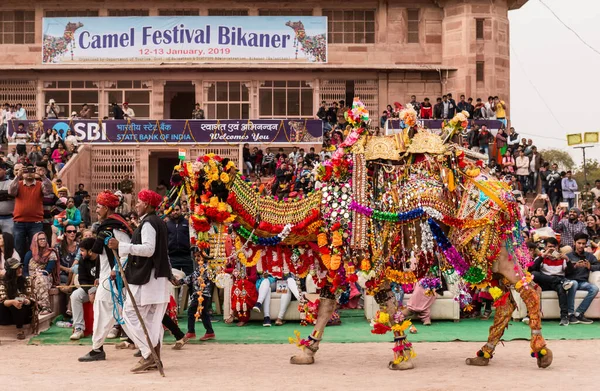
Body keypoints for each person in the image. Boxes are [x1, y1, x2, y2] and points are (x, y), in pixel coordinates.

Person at [108, 189, 171, 372]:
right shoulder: (157, 222)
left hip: (147, 278)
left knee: (129, 314)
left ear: (149, 205)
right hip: (156, 277)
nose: (137, 204)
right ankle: (154, 357)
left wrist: (122, 246)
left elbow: (149, 249)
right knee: (151, 321)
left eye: (140, 202)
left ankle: (148, 354)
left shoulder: (149, 223)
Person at [79, 190, 133, 362]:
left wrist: (116, 270)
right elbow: (102, 255)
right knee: (123, 313)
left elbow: (126, 251)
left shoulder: (116, 227)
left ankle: (97, 349)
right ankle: (146, 346)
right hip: (105, 277)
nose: (96, 210)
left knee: (107, 311)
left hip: (113, 278)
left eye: (100, 206)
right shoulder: (106, 227)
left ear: (108, 208)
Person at [9, 164, 54, 259]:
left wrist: (43, 176)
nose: (29, 173)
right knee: (18, 248)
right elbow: (11, 192)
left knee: (35, 248)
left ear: (35, 172)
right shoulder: (19, 184)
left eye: (31, 171)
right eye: (26, 171)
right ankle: (19, 269)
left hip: (35, 222)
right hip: (19, 222)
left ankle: (33, 268)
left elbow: (49, 190)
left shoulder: (39, 184)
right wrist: (18, 176)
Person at [528, 237, 573, 326]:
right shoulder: (541, 257)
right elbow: (532, 270)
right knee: (534, 274)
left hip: (556, 283)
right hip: (545, 282)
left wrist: (567, 260)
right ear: (545, 248)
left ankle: (564, 317)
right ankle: (561, 281)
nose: (551, 249)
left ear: (557, 248)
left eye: (553, 247)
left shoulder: (562, 258)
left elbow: (571, 272)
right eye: (549, 247)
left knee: (561, 288)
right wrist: (542, 257)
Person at [565, 233, 600, 324]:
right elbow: (563, 271)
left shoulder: (589, 256)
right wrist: (574, 266)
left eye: (583, 244)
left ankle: (579, 313)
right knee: (574, 283)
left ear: (586, 244)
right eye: (579, 243)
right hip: (570, 281)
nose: (581, 246)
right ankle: (570, 314)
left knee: (595, 288)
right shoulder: (568, 256)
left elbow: (598, 266)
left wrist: (590, 267)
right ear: (574, 243)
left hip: (583, 282)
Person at [69, 237, 98, 340]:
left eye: (82, 250)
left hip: (103, 289)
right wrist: (90, 291)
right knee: (75, 296)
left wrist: (94, 290)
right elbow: (82, 280)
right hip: (88, 289)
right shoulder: (82, 261)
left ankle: (114, 327)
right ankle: (79, 329)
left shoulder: (102, 259)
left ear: (90, 251)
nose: (80, 253)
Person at [0, 258, 36, 340]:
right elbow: (2, 299)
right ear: (10, 271)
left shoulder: (26, 280)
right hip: (7, 315)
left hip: (24, 314)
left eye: (20, 267)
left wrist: (26, 301)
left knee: (20, 305)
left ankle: (20, 329)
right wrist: (13, 301)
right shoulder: (2, 282)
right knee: (10, 304)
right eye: (16, 269)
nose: (20, 270)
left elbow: (32, 298)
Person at [23, 232, 57, 316]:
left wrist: (40, 274)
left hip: (45, 276)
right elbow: (24, 270)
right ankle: (33, 307)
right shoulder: (29, 254)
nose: (43, 241)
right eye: (40, 239)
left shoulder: (51, 253)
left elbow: (49, 269)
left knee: (40, 280)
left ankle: (45, 307)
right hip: (31, 276)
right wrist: (28, 277)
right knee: (28, 281)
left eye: (44, 238)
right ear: (35, 241)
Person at [166, 205, 193, 275]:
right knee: (174, 281)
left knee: (189, 279)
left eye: (177, 210)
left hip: (186, 256)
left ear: (181, 210)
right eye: (173, 210)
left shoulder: (187, 223)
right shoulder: (167, 224)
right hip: (172, 257)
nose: (175, 212)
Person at [0, 162, 15, 235]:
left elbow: (13, 195)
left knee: (9, 241)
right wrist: (6, 195)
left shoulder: (11, 182)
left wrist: (8, 195)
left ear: (4, 170)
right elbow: (9, 195)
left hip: (9, 218)